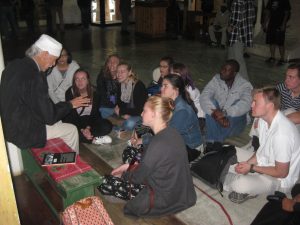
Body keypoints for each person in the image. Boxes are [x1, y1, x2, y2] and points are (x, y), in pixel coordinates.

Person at [99, 96, 196, 217]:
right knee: (130, 152)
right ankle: (129, 169)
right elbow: (153, 162)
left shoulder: (157, 144)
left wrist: (123, 174)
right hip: (181, 191)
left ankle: (129, 193)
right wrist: (129, 166)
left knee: (106, 183)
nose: (141, 113)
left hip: (164, 197)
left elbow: (138, 178)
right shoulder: (172, 131)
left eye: (144, 111)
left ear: (154, 115)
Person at [0, 34, 90, 153]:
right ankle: (70, 163)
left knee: (59, 121)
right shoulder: (34, 76)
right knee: (71, 130)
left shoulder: (14, 65)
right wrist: (70, 104)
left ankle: (57, 153)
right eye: (53, 60)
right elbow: (49, 117)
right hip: (22, 131)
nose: (53, 64)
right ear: (44, 54)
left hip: (8, 124)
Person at [224, 87, 300, 204]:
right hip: (264, 162)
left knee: (239, 184)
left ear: (269, 106)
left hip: (279, 180)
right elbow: (261, 151)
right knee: (226, 151)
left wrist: (251, 168)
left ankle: (244, 184)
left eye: (256, 102)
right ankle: (236, 176)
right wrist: (248, 163)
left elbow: (282, 172)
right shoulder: (263, 120)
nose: (251, 105)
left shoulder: (282, 134)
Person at [200, 60, 253, 148]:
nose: (222, 71)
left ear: (234, 73)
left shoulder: (245, 85)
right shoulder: (216, 80)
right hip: (218, 119)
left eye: (226, 70)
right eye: (222, 68)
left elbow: (246, 104)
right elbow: (204, 96)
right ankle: (215, 143)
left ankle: (211, 141)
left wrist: (225, 113)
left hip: (236, 123)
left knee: (237, 104)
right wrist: (215, 114)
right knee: (211, 104)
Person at [63, 69, 113, 145]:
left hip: (90, 119)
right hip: (75, 120)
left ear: (88, 80)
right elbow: (72, 115)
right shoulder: (69, 92)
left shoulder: (95, 92)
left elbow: (95, 113)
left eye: (83, 79)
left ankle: (85, 135)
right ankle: (93, 139)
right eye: (77, 79)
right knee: (66, 129)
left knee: (107, 125)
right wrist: (82, 129)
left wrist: (88, 128)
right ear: (74, 81)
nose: (80, 82)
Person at [161, 74, 202, 162]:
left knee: (158, 152)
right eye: (162, 86)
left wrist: (144, 140)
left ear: (176, 89)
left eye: (165, 86)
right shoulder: (171, 101)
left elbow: (168, 136)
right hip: (180, 141)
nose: (161, 89)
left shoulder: (182, 110)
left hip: (192, 149)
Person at [114, 62, 148, 131]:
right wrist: (122, 113)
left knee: (130, 123)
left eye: (122, 71)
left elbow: (140, 109)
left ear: (129, 72)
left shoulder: (138, 86)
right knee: (104, 111)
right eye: (117, 71)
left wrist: (122, 111)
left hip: (139, 114)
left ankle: (121, 129)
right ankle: (121, 128)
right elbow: (119, 102)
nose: (119, 74)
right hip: (127, 112)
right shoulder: (120, 84)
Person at [227, 0, 256, 80]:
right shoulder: (250, 3)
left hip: (236, 34)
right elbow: (253, 18)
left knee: (237, 58)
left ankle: (246, 82)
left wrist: (230, 26)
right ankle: (230, 78)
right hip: (244, 33)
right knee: (231, 57)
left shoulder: (237, 2)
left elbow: (236, 19)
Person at [263, 0, 291, 66]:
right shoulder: (270, 0)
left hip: (280, 23)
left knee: (280, 42)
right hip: (271, 23)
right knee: (271, 41)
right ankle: (272, 57)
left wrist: (284, 24)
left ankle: (282, 59)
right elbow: (267, 11)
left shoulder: (285, 1)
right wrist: (265, 23)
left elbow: (287, 12)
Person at [96, 54, 120, 118]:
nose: (112, 64)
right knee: (101, 110)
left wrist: (119, 106)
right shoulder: (102, 76)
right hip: (106, 106)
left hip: (119, 106)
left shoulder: (123, 77)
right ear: (107, 64)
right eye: (110, 61)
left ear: (120, 64)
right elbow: (102, 95)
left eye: (115, 62)